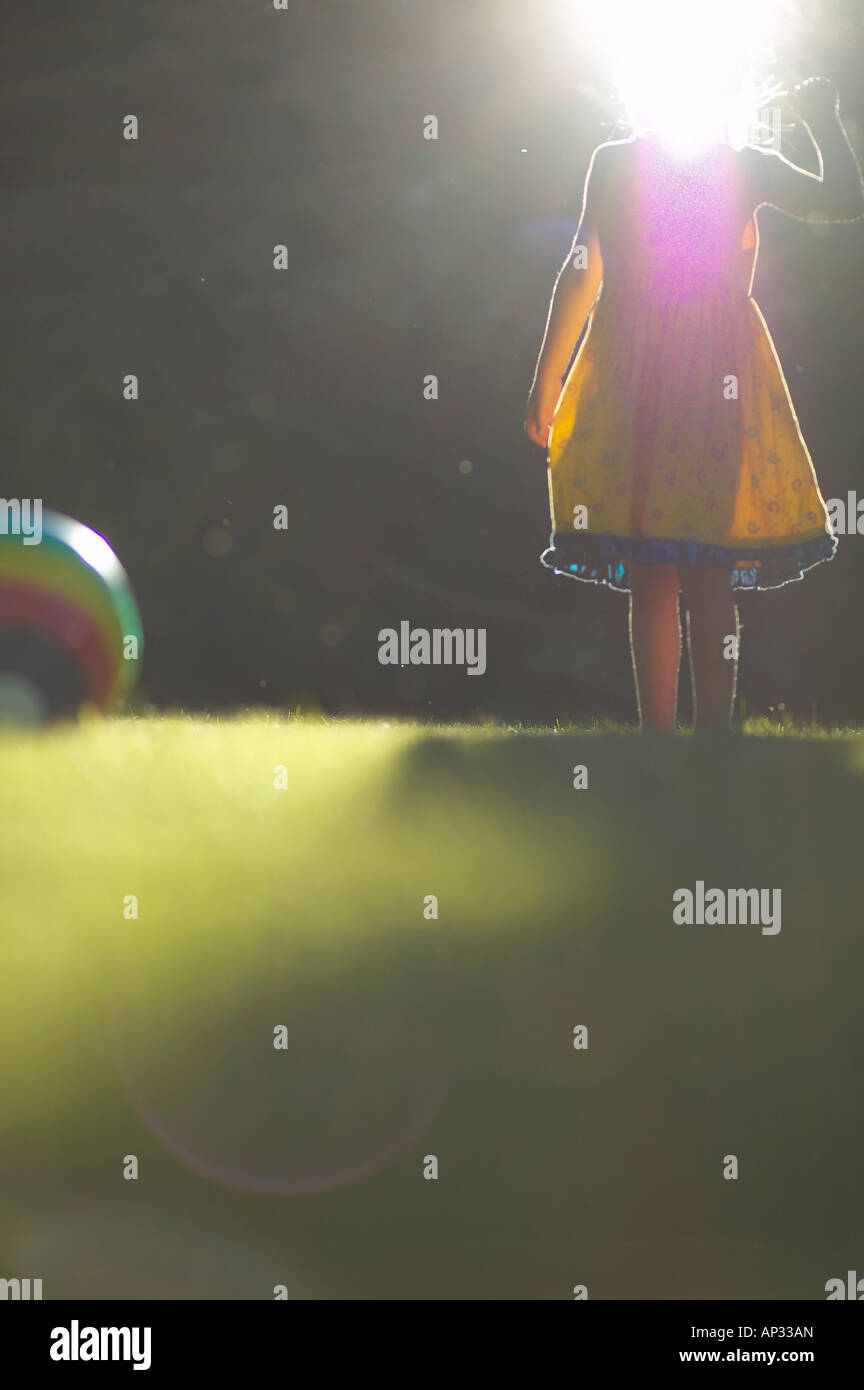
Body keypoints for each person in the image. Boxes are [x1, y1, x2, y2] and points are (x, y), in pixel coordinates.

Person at [524, 78, 864, 731]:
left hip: (694, 372)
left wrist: (822, 117)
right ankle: (672, 738)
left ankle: (704, 737)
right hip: (650, 370)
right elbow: (583, 264)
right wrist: (549, 373)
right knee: (664, 561)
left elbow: (846, 204)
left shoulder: (733, 165)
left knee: (692, 562)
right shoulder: (627, 161)